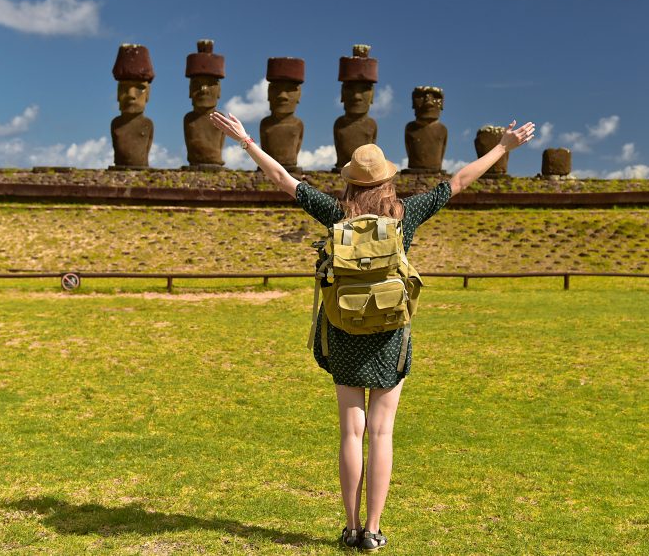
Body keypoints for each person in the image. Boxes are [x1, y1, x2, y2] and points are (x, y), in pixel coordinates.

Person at [209, 110, 535, 551]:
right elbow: (457, 183)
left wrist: (246, 141)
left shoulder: (334, 214)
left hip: (343, 330)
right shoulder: (405, 215)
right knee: (382, 433)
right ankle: (373, 529)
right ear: (385, 181)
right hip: (390, 335)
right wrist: (502, 148)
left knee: (351, 432)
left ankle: (348, 525)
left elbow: (285, 180)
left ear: (350, 181)